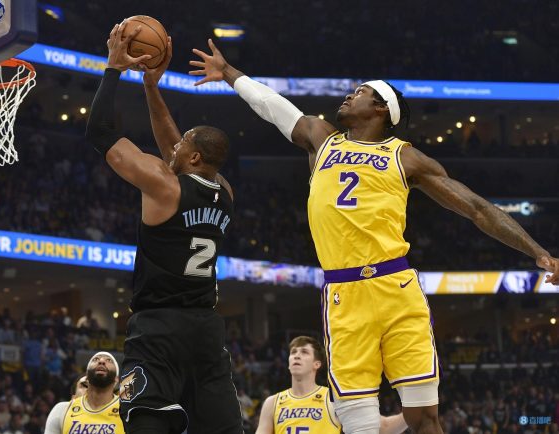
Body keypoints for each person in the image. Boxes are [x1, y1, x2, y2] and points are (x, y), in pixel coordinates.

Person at [189, 39, 559, 434]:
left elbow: (476, 208)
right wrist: (228, 73)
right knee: (359, 424)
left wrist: (539, 252)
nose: (350, 95)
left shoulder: (406, 156)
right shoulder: (322, 139)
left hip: (396, 288)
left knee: (423, 417)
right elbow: (272, 106)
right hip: (344, 295)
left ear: (382, 108)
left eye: (360, 92)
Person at [85, 23, 241, 434]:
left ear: (193, 158)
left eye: (183, 143)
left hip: (158, 328)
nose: (174, 145)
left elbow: (99, 131)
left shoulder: (164, 185)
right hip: (206, 331)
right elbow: (176, 146)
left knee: (148, 425)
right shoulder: (225, 191)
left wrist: (113, 68)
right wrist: (151, 86)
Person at [256, 336, 408, 434]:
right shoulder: (273, 403)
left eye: (304, 352)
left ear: (317, 364)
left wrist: (414, 410)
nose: (296, 355)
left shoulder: (333, 398)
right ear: (288, 363)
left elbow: (383, 426)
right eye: (293, 352)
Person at [60, 352, 122, 434]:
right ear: (87, 376)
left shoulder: (128, 410)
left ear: (116, 379)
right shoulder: (62, 410)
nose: (101, 361)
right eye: (95, 359)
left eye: (109, 360)